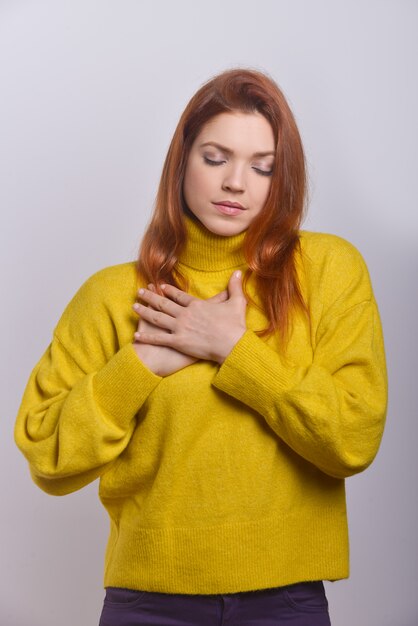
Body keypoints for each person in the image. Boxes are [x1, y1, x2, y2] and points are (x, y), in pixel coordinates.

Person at [15, 68, 387, 626]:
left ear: (281, 177)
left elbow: (353, 439)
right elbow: (48, 456)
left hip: (286, 598)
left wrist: (233, 349)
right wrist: (142, 364)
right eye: (216, 158)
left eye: (263, 167)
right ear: (181, 160)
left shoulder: (330, 270)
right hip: (146, 602)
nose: (236, 182)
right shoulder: (115, 295)